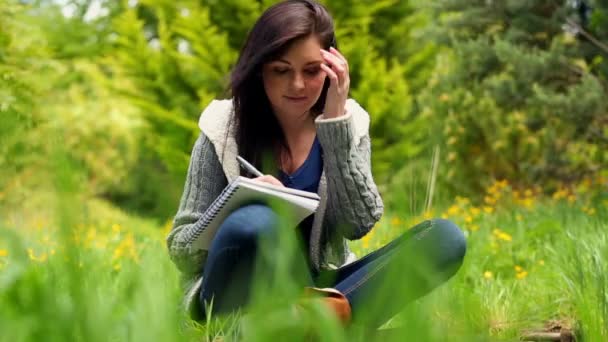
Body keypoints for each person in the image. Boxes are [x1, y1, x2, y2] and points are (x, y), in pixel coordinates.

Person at [166, 0, 466, 329]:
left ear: (331, 69)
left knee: (444, 238)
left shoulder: (350, 125)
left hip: (322, 284)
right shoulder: (222, 128)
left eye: (311, 71)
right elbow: (182, 250)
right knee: (257, 221)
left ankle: (296, 325)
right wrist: (241, 204)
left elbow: (358, 223)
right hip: (235, 295)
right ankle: (317, 325)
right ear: (260, 69)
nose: (297, 85)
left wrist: (336, 122)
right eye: (281, 70)